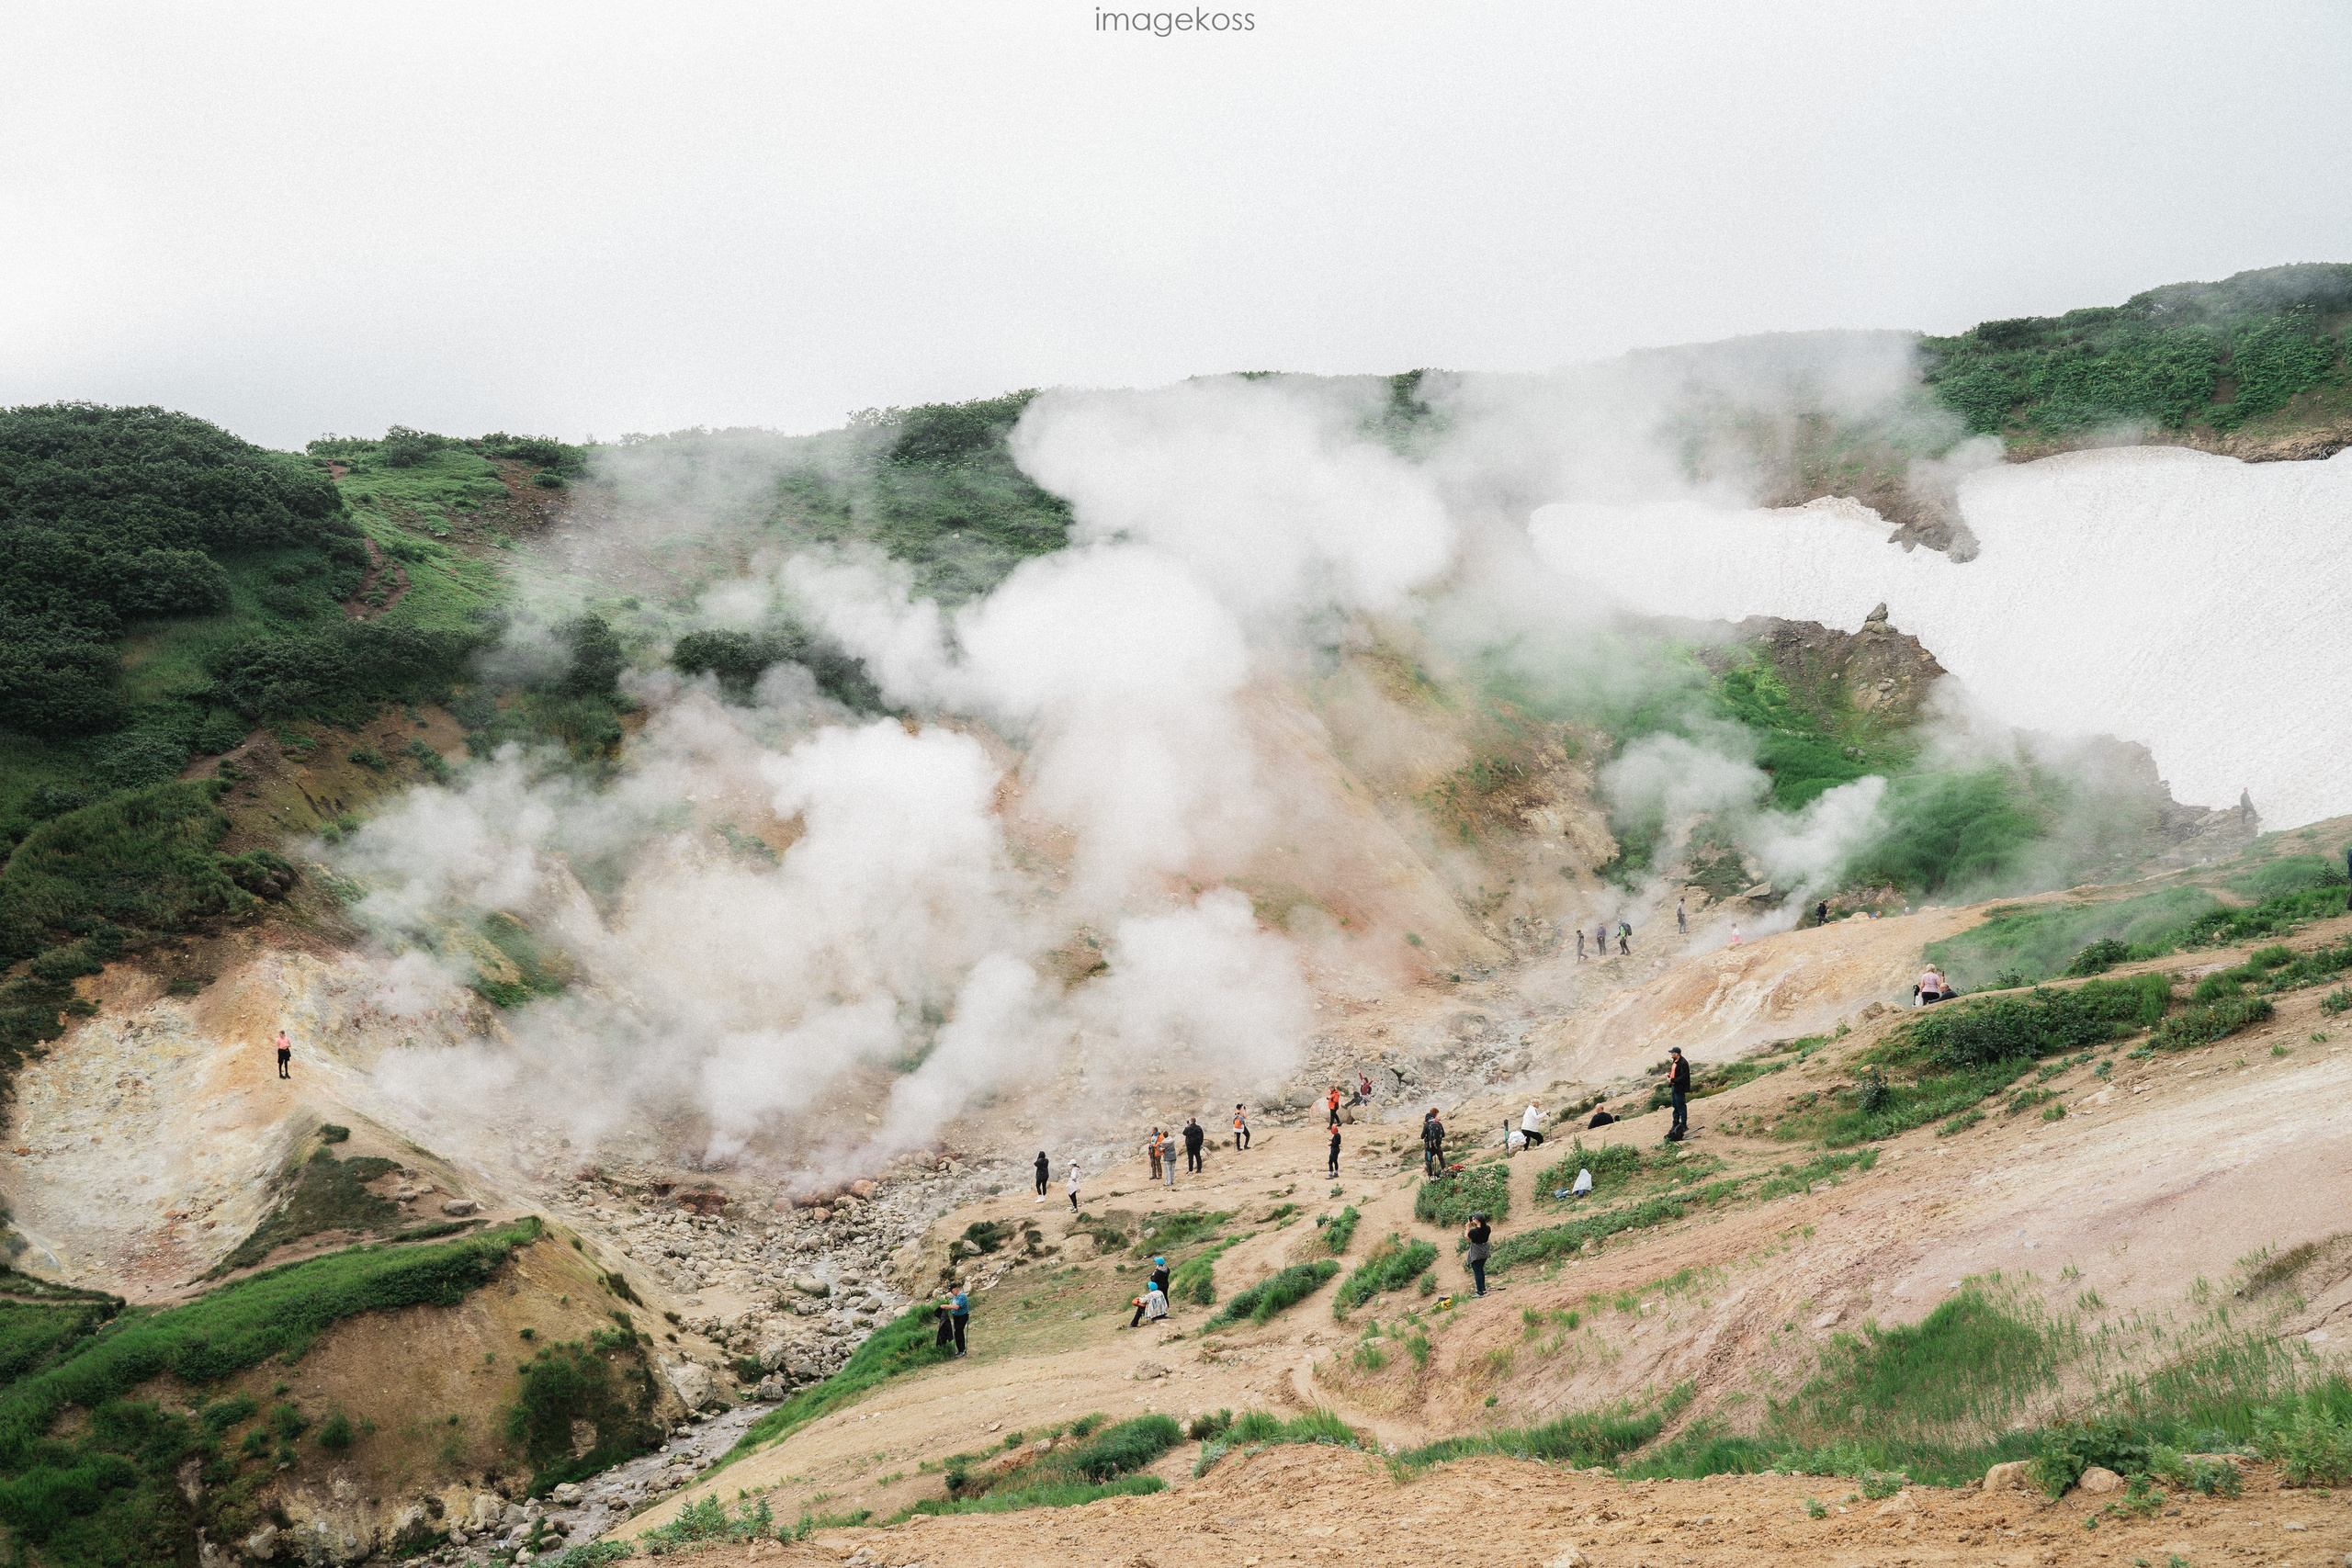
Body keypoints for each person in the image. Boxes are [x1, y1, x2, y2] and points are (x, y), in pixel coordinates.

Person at [1129, 1257, 1170, 1326]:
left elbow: (1152, 1278)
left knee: (1141, 1307)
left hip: (1159, 1286)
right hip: (1165, 1285)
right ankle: (1164, 1312)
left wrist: (1155, 1271)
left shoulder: (1157, 1272)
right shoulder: (1167, 1269)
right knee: (1164, 1298)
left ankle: (1133, 1324)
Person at [1665, 1046, 1690, 1141]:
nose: (1671, 1054)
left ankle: (1683, 1125)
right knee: (1675, 1105)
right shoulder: (1675, 1061)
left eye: (1672, 1053)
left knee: (1681, 1106)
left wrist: (1672, 1079)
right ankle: (1675, 1124)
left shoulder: (1683, 1063)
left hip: (1680, 1088)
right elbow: (1675, 1073)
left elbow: (1684, 1077)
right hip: (1674, 1086)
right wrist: (1670, 1077)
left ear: (1677, 1053)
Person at [1464, 1212, 1492, 1298]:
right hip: (1484, 1251)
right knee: (1480, 1270)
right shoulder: (1487, 1228)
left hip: (1476, 1252)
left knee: (1477, 1271)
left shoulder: (1474, 1231)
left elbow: (1467, 1237)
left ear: (1477, 1220)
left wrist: (1468, 1227)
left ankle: (1480, 1291)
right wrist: (1475, 1224)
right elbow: (1481, 1229)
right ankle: (1483, 1288)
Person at [944, 1281, 971, 1356]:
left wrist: (945, 1306)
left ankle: (962, 1350)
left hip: (962, 1316)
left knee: (959, 1332)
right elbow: (951, 1304)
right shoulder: (955, 1296)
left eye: (952, 1291)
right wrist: (947, 1307)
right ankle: (960, 1350)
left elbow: (956, 1307)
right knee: (956, 1333)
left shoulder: (962, 1296)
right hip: (956, 1317)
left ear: (956, 1289)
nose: (952, 1293)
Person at [1421, 1108, 1445, 1176]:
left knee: (1428, 1161)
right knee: (1441, 1158)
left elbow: (1422, 1136)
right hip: (1437, 1145)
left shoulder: (1427, 1125)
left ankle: (1430, 1176)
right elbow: (1443, 1135)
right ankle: (1445, 1170)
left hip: (1429, 1147)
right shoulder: (1439, 1123)